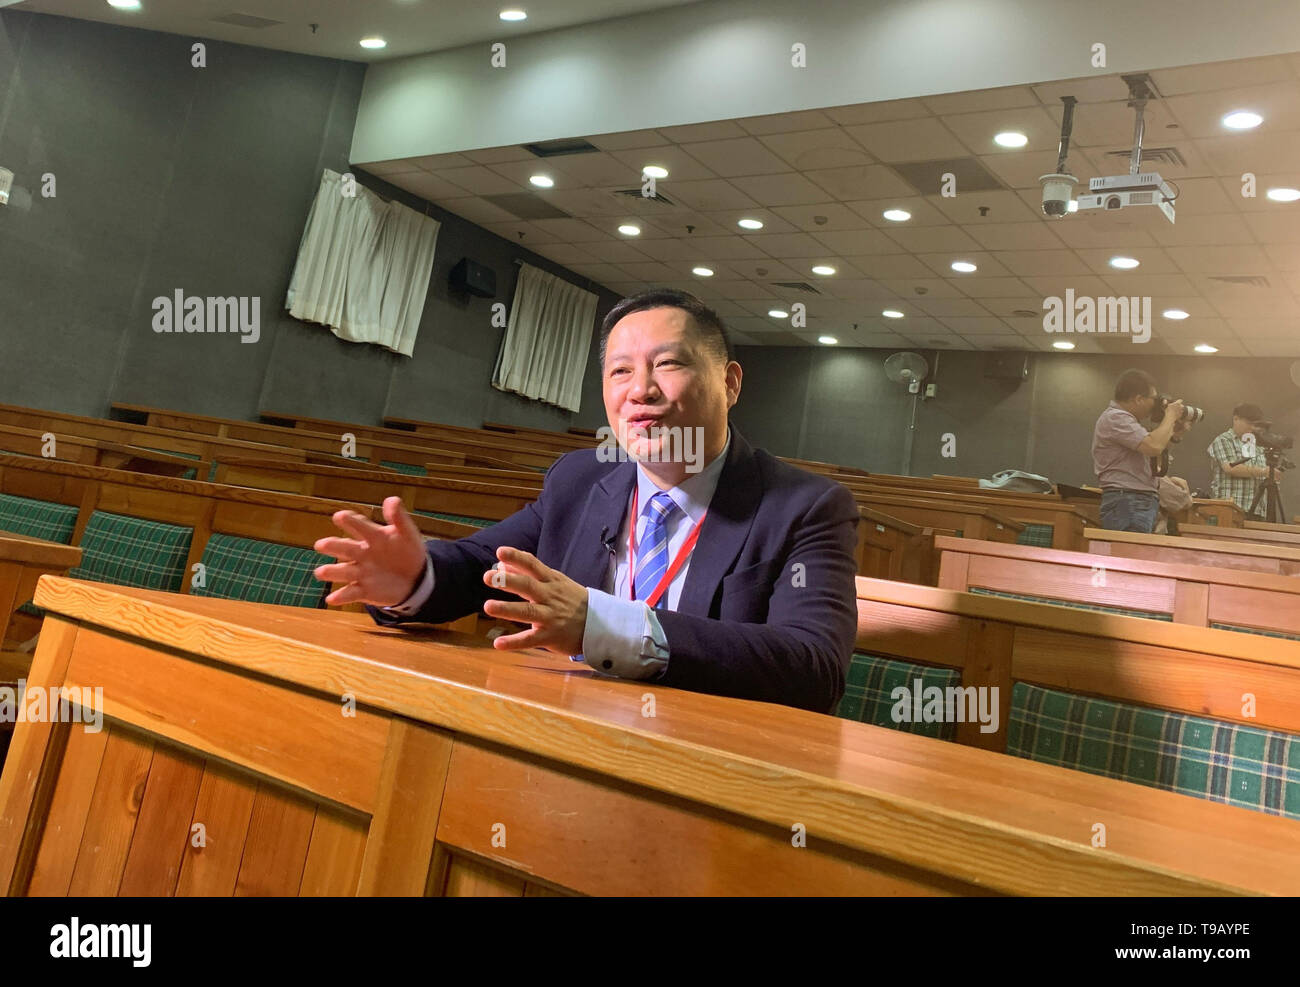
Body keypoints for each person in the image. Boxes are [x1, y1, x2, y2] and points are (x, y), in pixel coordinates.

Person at [311, 288, 860, 714]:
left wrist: (599, 625)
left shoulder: (806, 507)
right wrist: (415, 579)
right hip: (563, 731)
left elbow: (813, 668)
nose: (640, 390)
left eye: (668, 364)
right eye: (620, 370)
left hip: (705, 766)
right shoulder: (580, 478)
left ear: (730, 382)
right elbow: (488, 567)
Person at [1091, 368, 1186, 533]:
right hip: (1127, 500)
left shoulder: (1128, 422)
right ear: (1138, 399)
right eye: (1153, 399)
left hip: (1134, 500)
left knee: (1133, 554)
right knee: (1127, 555)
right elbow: (1154, 447)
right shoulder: (1116, 418)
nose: (1154, 404)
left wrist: (1175, 433)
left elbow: (1156, 452)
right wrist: (1170, 416)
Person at [1207, 403, 1278, 517]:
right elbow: (1230, 468)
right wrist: (1265, 471)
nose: (1252, 428)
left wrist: (1274, 474)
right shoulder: (1224, 440)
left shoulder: (1260, 445)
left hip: (1258, 512)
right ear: (1235, 419)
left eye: (1255, 425)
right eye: (1249, 423)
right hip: (1230, 510)